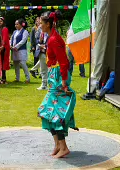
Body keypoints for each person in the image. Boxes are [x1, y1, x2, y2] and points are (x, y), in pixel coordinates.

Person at [37, 11, 78, 159]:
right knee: (48, 113)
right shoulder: (51, 37)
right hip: (54, 77)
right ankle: (58, 145)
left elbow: (64, 62)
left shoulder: (54, 39)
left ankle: (64, 147)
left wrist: (64, 81)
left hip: (59, 78)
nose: (39, 25)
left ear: (48, 24)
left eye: (41, 23)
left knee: (54, 113)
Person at [10, 18, 30, 83]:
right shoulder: (14, 32)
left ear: (21, 24)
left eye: (17, 24)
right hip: (14, 50)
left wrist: (16, 46)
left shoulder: (25, 32)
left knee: (22, 63)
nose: (16, 25)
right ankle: (17, 78)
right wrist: (10, 45)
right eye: (15, 24)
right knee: (16, 64)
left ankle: (27, 78)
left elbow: (23, 41)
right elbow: (11, 39)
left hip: (21, 50)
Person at [0, 17, 10, 84]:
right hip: (1, 47)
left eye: (1, 21)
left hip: (4, 48)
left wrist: (2, 46)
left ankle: (4, 78)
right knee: (0, 63)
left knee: (3, 63)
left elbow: (5, 39)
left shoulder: (4, 29)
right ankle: (1, 77)